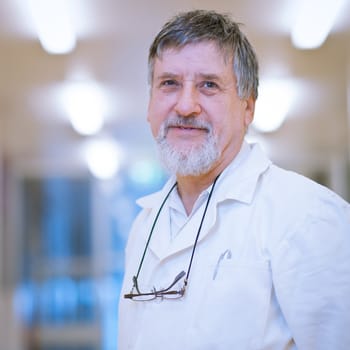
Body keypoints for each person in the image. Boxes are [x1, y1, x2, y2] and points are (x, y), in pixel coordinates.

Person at [118, 9, 350, 350]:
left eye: (208, 85)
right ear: (150, 102)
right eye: (169, 84)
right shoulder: (144, 226)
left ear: (248, 108)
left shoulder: (307, 214)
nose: (185, 105)